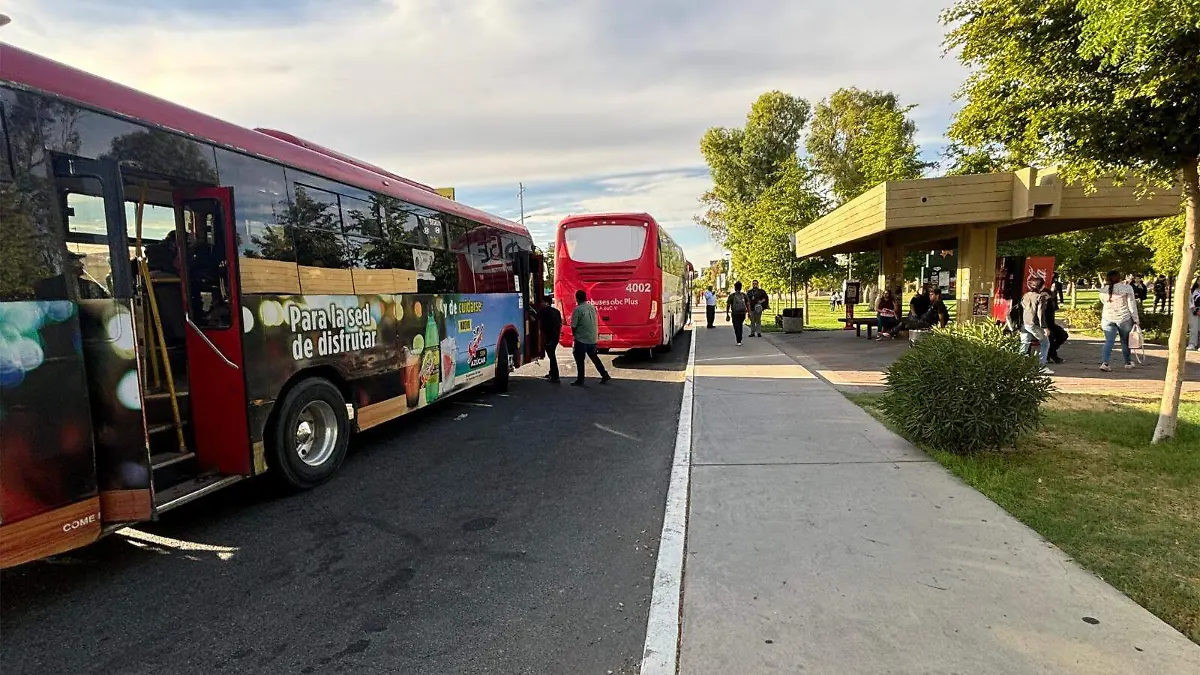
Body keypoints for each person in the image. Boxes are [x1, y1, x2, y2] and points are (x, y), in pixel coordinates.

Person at [1099, 270, 1139, 371]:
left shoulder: (1103, 290)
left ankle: (1105, 363)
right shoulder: (1127, 288)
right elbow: (1132, 305)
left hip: (1107, 317)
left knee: (1109, 341)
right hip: (1124, 317)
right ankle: (1127, 362)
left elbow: (1104, 302)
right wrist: (1135, 319)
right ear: (1119, 277)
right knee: (1125, 341)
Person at [569, 290, 611, 386]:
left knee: (579, 359)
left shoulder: (577, 309)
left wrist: (574, 336)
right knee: (594, 356)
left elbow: (573, 326)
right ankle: (604, 374)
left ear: (577, 298)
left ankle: (580, 380)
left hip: (581, 338)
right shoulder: (592, 307)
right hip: (592, 337)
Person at [1018, 278, 1053, 373]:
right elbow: (1040, 313)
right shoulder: (1040, 297)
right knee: (1045, 343)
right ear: (1041, 286)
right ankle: (1041, 366)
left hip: (1025, 323)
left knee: (1024, 344)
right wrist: (1044, 327)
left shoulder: (1026, 295)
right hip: (1034, 324)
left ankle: (1018, 364)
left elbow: (1023, 307)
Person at [538, 295, 563, 383]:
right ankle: (552, 373)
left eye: (542, 302)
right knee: (552, 355)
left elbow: (535, 319)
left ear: (545, 303)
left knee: (552, 356)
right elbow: (560, 323)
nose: (540, 304)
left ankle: (555, 376)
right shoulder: (556, 311)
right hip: (555, 336)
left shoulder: (544, 311)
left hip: (549, 337)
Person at [1045, 293, 1067, 364]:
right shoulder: (1040, 303)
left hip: (1050, 325)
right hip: (1041, 325)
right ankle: (1053, 355)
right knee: (1051, 336)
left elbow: (1050, 320)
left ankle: (1049, 352)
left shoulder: (1050, 303)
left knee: (1063, 335)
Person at [726, 281, 749, 346]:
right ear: (741, 287)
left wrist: (727, 313)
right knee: (740, 325)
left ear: (735, 287)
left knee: (736, 326)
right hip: (742, 313)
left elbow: (728, 305)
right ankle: (740, 338)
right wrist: (749, 312)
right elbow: (747, 304)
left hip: (735, 313)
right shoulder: (744, 295)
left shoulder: (732, 296)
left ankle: (738, 340)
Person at [1189, 279, 1200, 351]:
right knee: (1194, 328)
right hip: (1194, 311)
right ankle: (1192, 344)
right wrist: (1195, 310)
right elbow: (1189, 301)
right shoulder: (1192, 291)